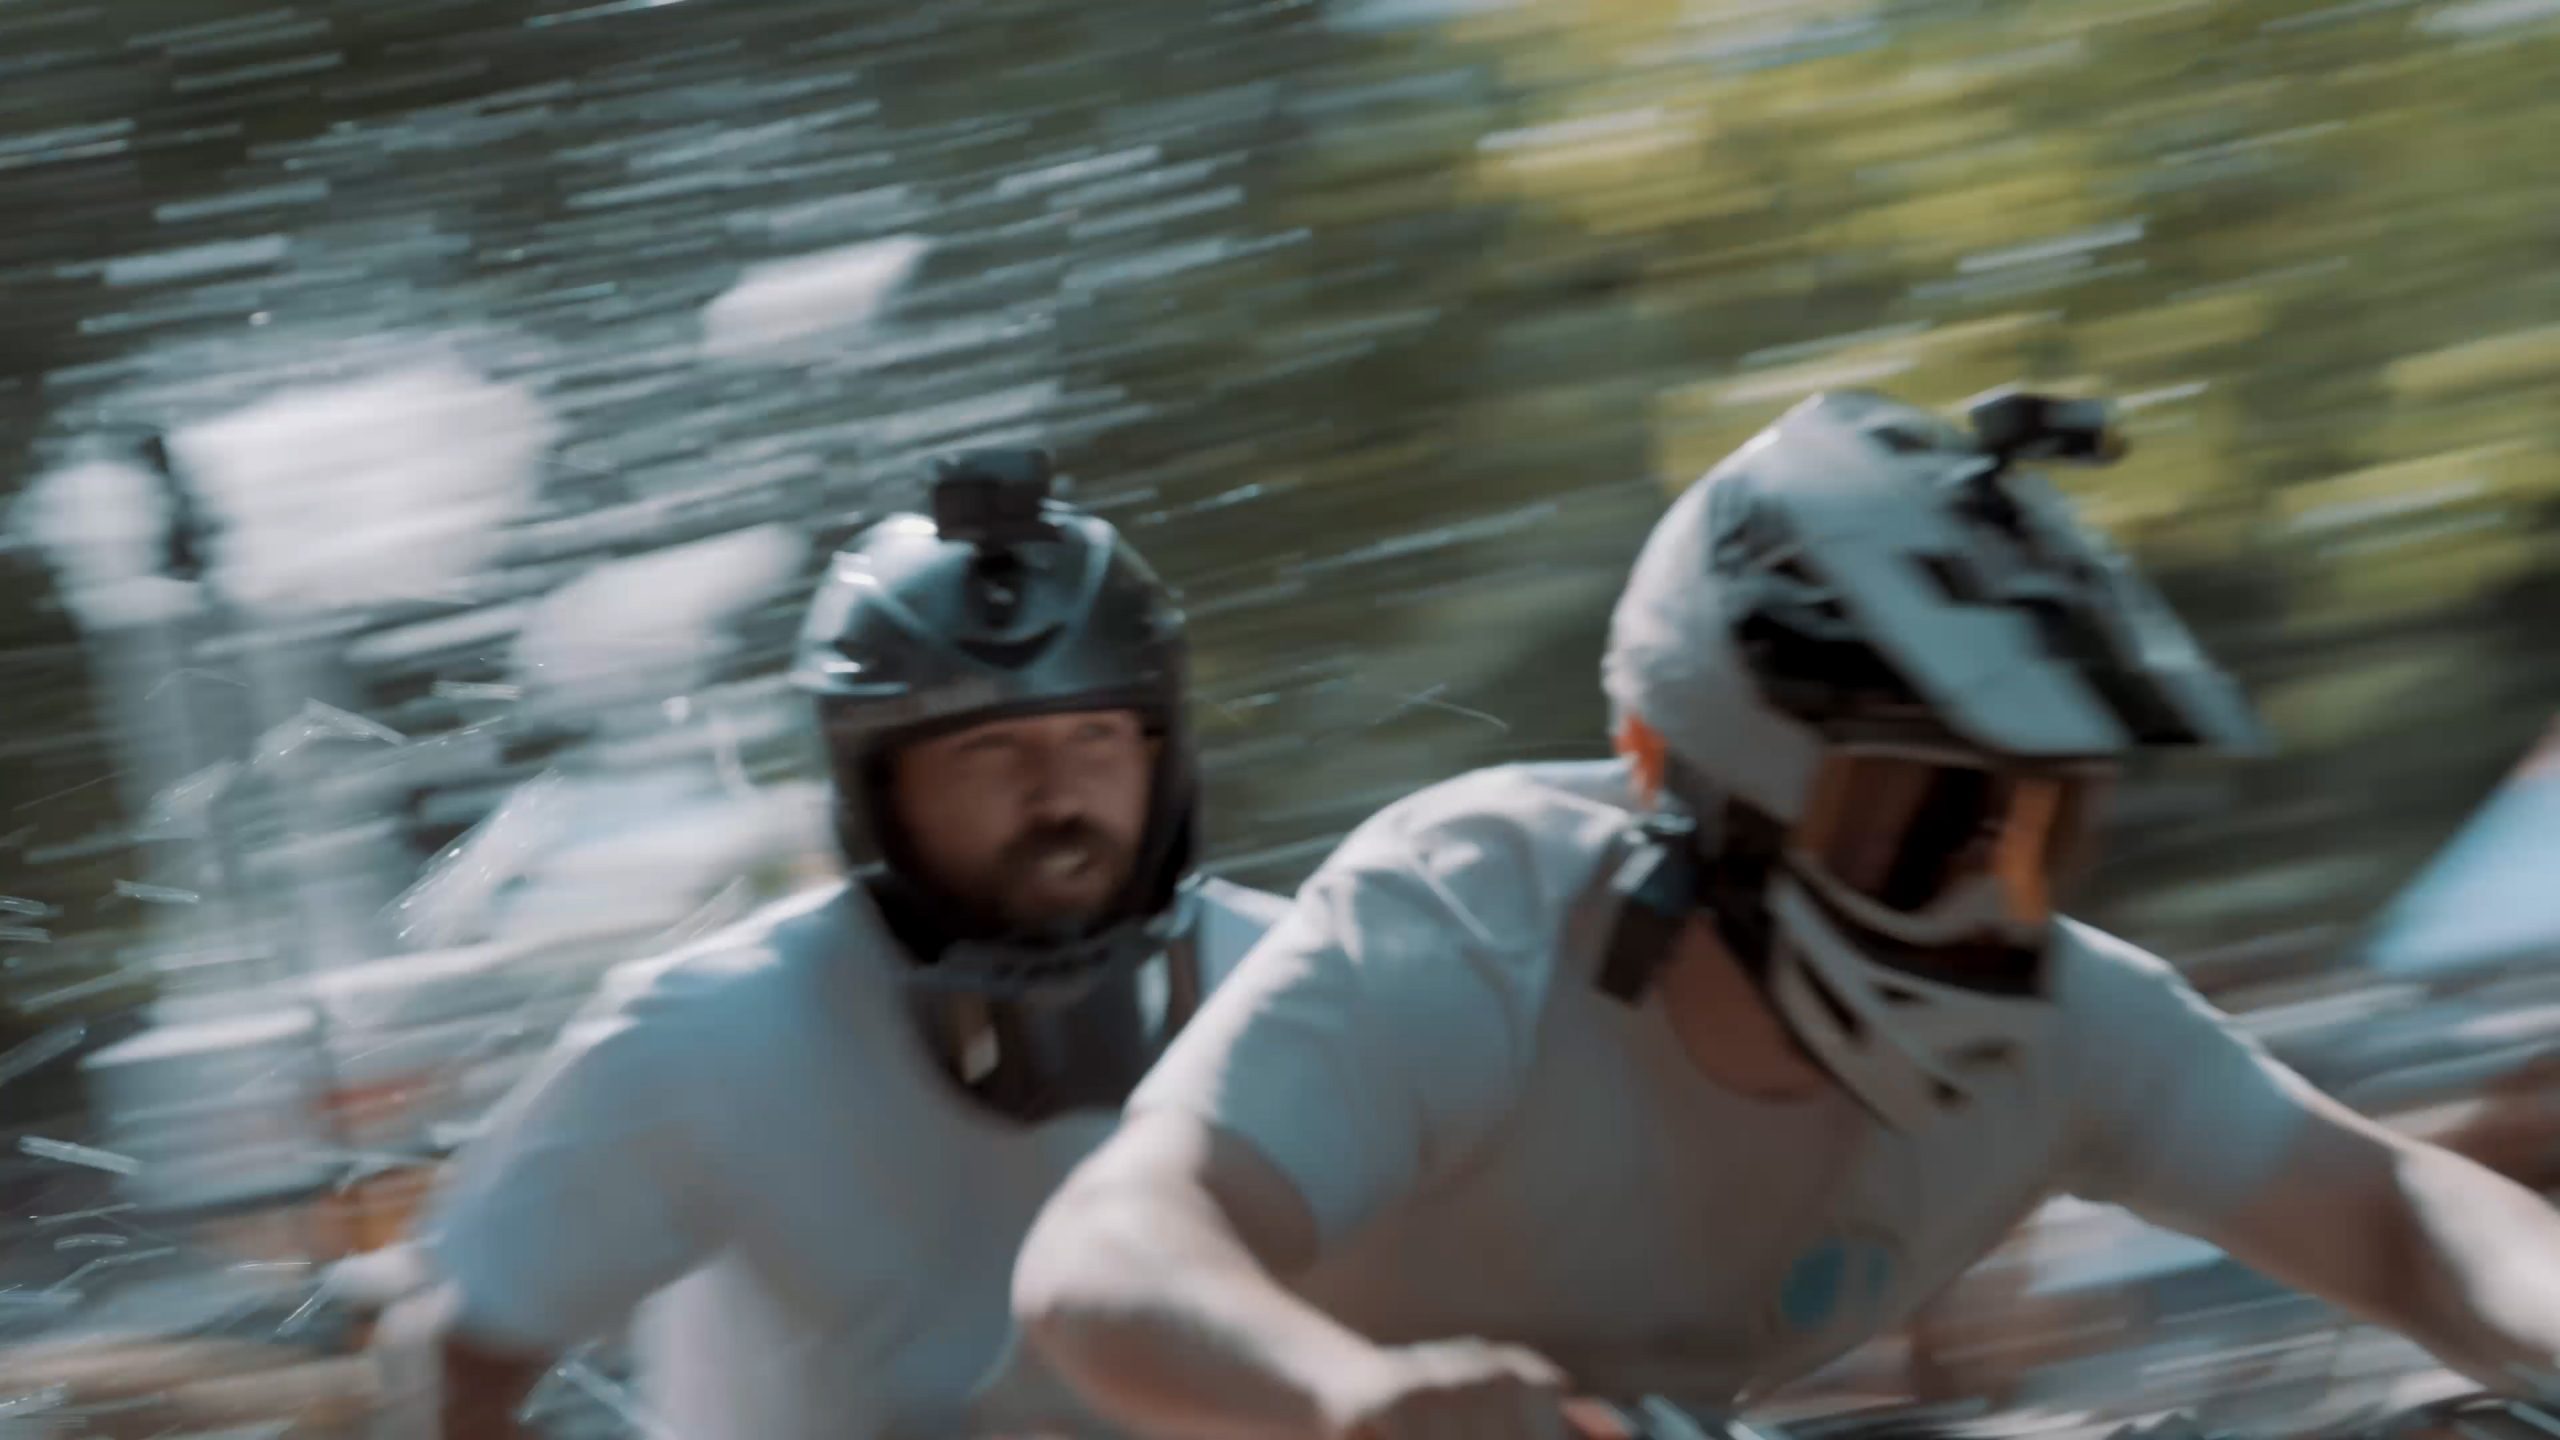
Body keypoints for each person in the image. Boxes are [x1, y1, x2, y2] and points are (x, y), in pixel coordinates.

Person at [1012, 390, 2560, 1440]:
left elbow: (2394, 1213)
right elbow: (1105, 1255)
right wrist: (1346, 1399)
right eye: (1918, 818)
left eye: (2037, 828)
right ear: (1694, 778)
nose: (1987, 892)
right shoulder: (1469, 918)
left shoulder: (2066, 1016)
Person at [374, 448, 1287, 1440]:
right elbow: (450, 1350)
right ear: (877, 790)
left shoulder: (1296, 984)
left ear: (1161, 755)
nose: (1057, 797)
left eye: (1096, 737)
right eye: (988, 750)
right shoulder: (713, 1034)